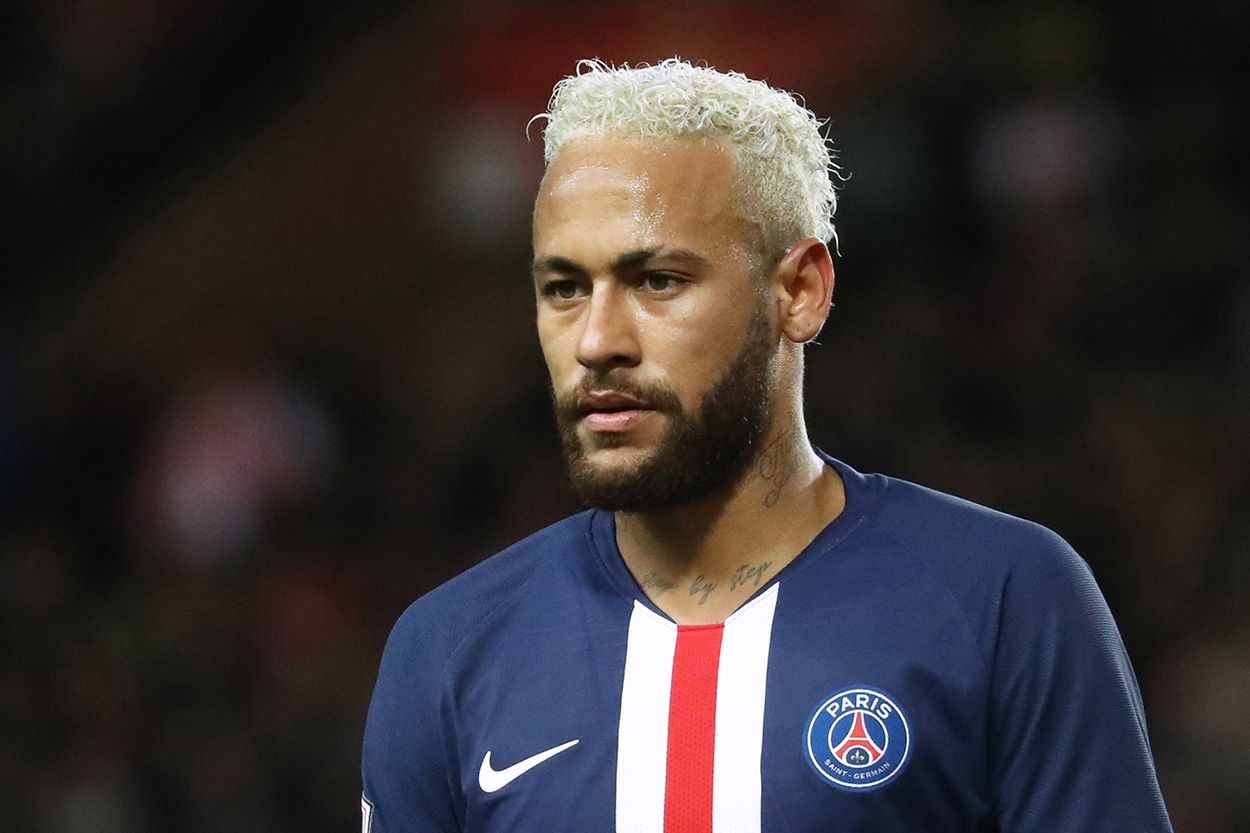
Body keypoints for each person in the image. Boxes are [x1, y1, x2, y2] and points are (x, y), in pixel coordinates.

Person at [361, 59, 1173, 833]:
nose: (597, 341)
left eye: (658, 280)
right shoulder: (448, 652)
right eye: (565, 287)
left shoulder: (1002, 599)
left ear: (800, 292)